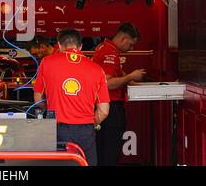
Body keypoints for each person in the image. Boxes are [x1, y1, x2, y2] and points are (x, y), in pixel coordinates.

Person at [33, 29, 110, 166]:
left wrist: (49, 107)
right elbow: (104, 110)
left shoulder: (47, 62)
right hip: (85, 131)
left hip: (57, 129)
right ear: (80, 46)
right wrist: (89, 123)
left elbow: (38, 99)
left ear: (59, 45)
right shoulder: (97, 69)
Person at [92, 22, 146, 166]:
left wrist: (130, 80)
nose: (131, 49)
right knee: (110, 153)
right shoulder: (109, 52)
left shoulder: (104, 47)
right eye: (131, 45)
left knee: (103, 151)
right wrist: (130, 77)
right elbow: (107, 83)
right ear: (123, 39)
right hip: (111, 109)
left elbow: (115, 73)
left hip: (103, 108)